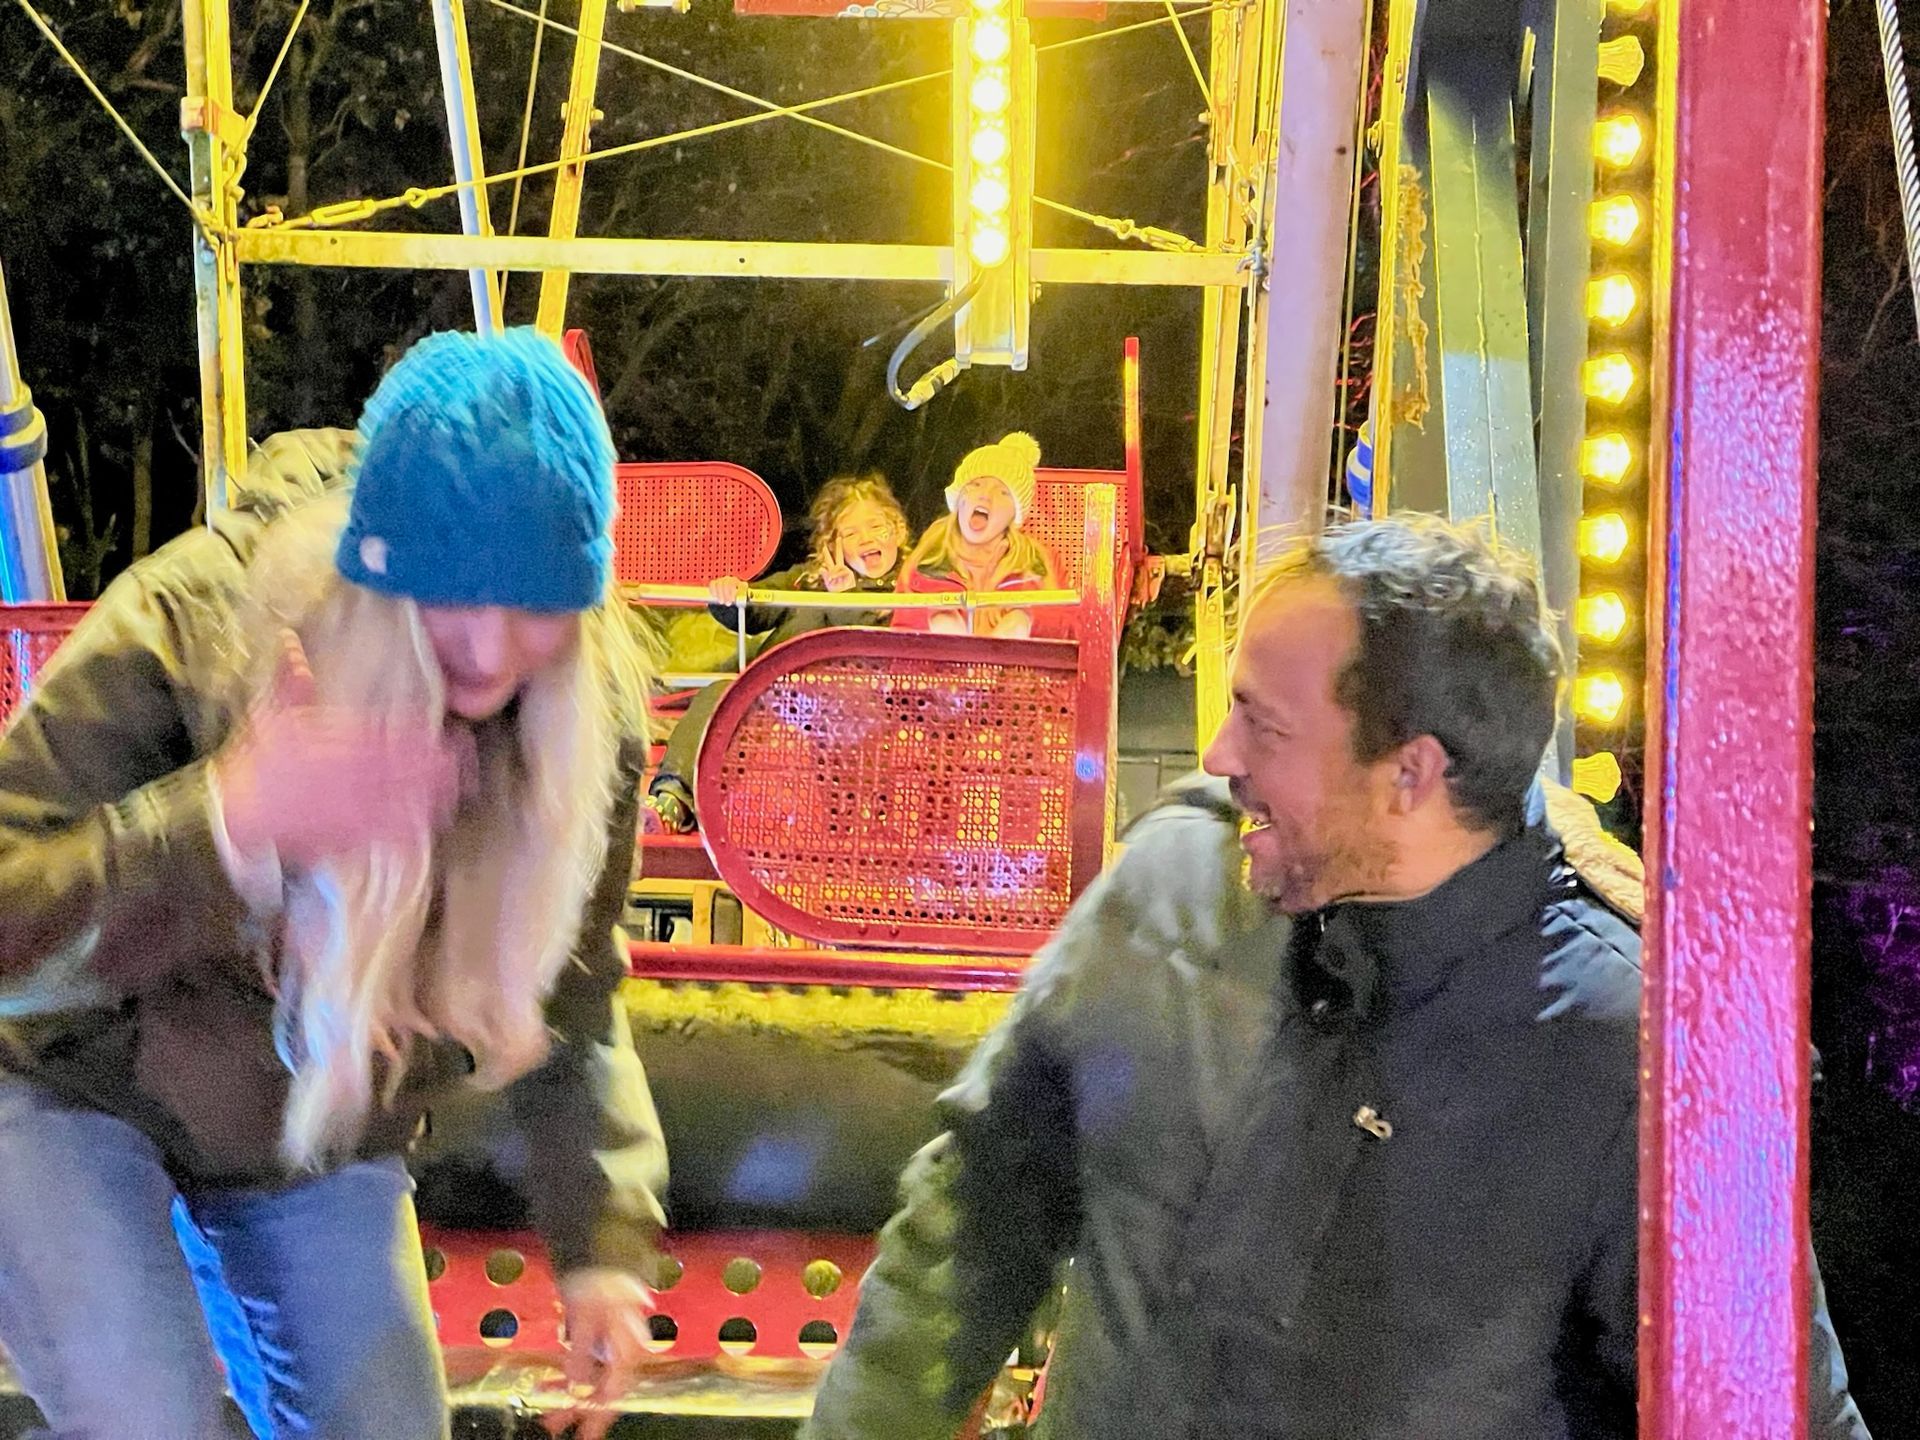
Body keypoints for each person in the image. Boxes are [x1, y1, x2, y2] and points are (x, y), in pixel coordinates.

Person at [800, 514, 1869, 1439]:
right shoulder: (1174, 884)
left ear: (1411, 774)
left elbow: (1781, 1415)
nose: (1217, 754)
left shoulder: (1627, 1058)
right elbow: (981, 1205)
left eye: (1263, 724)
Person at [0, 329, 667, 1440]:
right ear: (380, 568)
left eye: (539, 605)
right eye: (452, 595)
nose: (492, 652)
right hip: (69, 1081)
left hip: (310, 1122)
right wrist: (227, 823)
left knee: (391, 1427)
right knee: (147, 1419)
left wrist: (605, 1243)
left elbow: (576, 988)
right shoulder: (194, 627)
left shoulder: (581, 729)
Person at [645, 472, 910, 833]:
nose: (865, 538)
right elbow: (754, 611)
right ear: (832, 544)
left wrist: (846, 598)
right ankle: (670, 802)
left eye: (876, 526)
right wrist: (729, 594)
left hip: (849, 713)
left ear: (897, 532)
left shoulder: (908, 586)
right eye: (850, 533)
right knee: (717, 695)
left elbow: (878, 644)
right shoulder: (807, 580)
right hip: (776, 699)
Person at [893, 432, 1062, 640]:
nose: (985, 495)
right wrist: (936, 618)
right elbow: (902, 628)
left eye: (1003, 493)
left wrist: (1025, 619)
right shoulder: (929, 556)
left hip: (1016, 670)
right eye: (976, 484)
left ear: (1014, 515)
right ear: (958, 497)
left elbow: (1066, 628)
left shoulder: (1037, 560)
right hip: (938, 668)